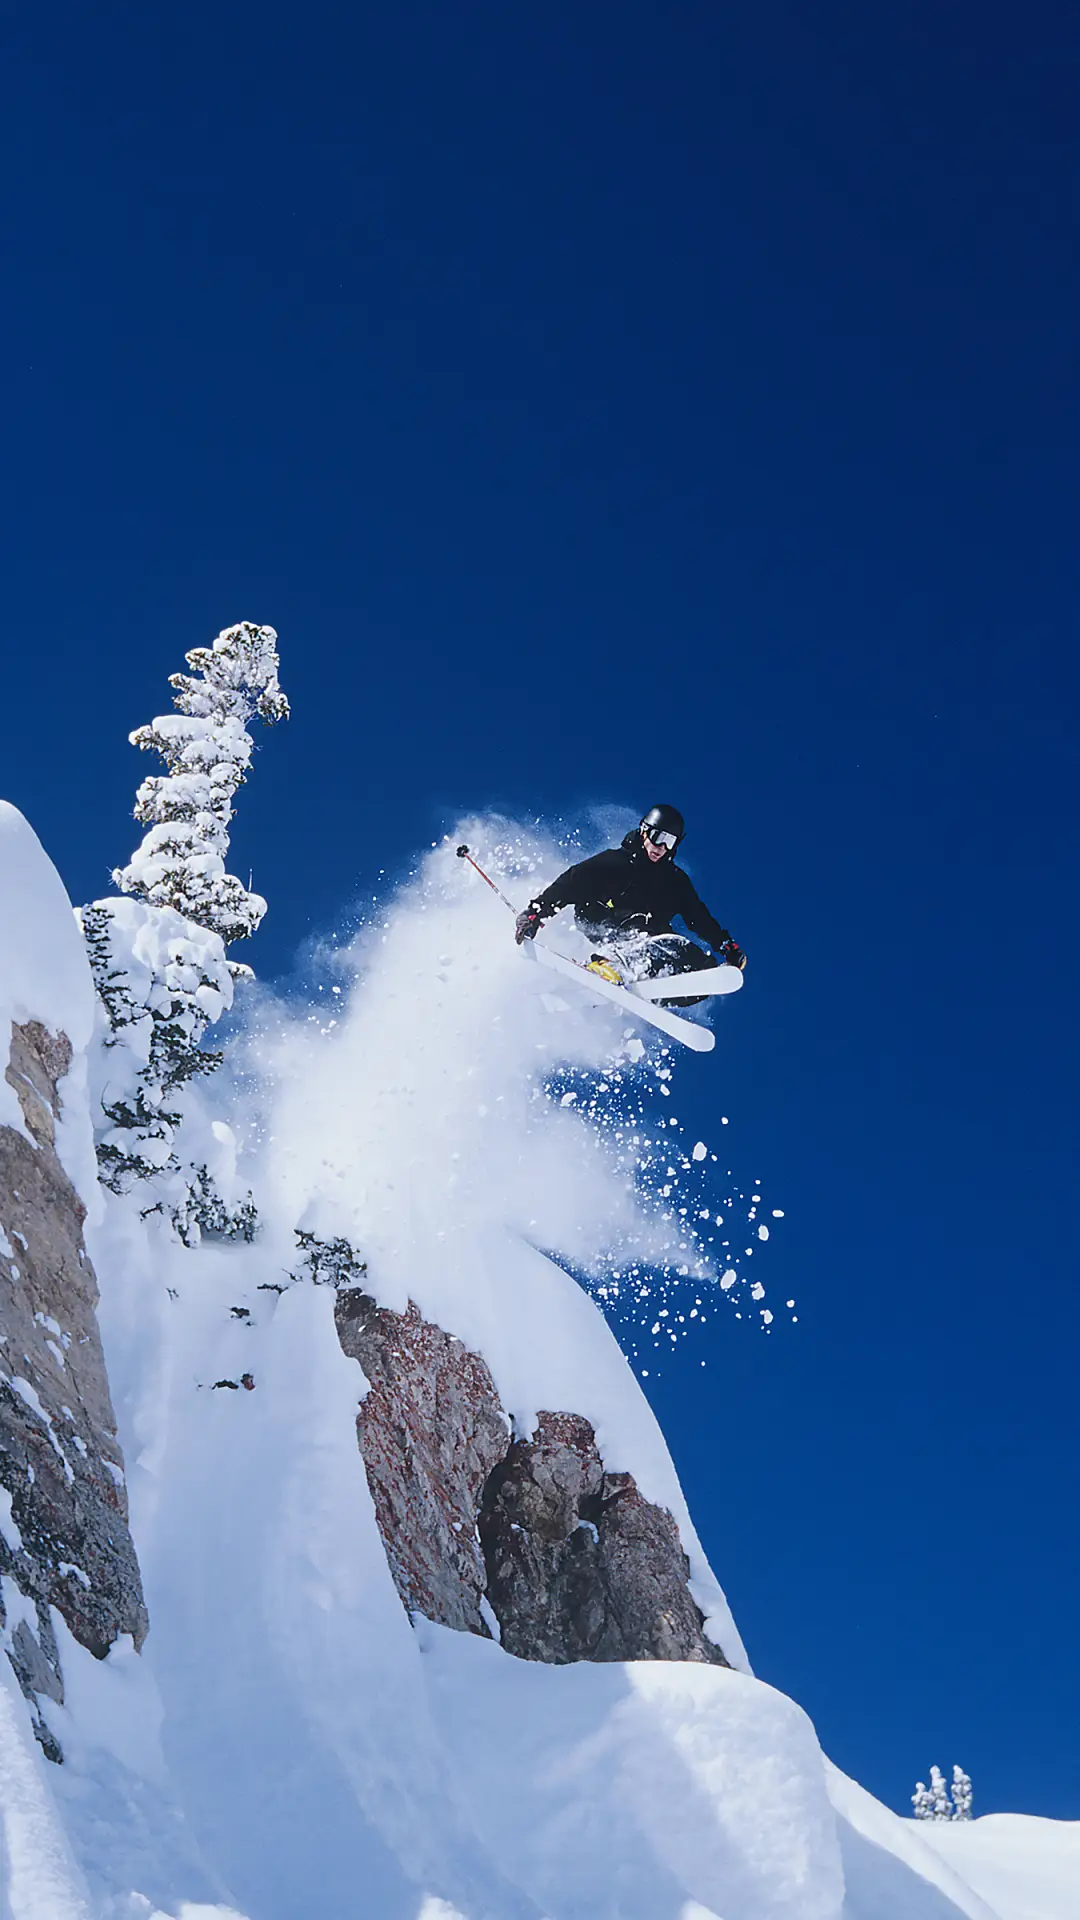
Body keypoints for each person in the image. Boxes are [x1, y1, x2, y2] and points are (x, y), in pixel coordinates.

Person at [514, 805, 745, 995]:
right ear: (644, 831)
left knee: (689, 957)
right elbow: (571, 883)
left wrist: (726, 946)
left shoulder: (675, 882)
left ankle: (651, 984)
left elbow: (698, 916)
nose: (662, 847)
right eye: (658, 837)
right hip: (600, 917)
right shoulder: (616, 863)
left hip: (648, 938)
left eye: (671, 842)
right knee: (641, 928)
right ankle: (608, 964)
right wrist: (535, 912)